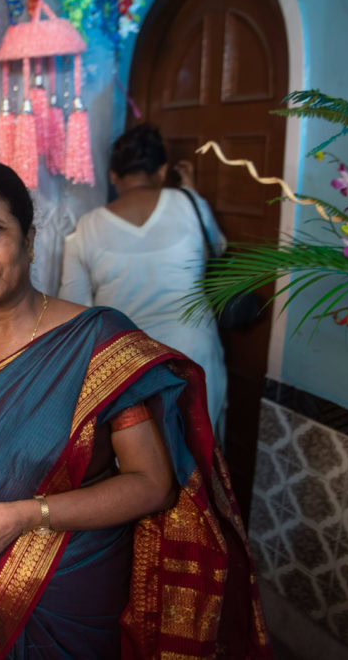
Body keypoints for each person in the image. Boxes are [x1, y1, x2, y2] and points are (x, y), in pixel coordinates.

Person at [0, 160, 269, 658]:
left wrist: (25, 516)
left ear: (29, 238)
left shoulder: (95, 342)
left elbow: (151, 483)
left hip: (64, 596)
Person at [59, 124, 228, 435]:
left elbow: (75, 309)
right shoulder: (189, 204)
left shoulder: (87, 228)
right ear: (163, 171)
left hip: (129, 364)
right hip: (195, 354)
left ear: (113, 176)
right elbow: (217, 248)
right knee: (200, 456)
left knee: (143, 466)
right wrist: (190, 191)